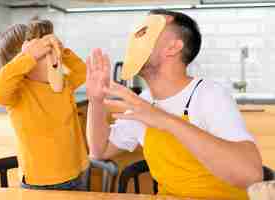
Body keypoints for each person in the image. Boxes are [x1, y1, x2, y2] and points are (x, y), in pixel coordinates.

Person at [86, 9, 263, 199]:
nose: (134, 41)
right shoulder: (144, 102)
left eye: (146, 33)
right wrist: (96, 101)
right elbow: (100, 150)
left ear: (173, 47)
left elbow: (251, 174)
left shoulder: (208, 94)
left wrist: (165, 120)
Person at [0, 19, 89, 190]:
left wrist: (61, 50)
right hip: (40, 182)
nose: (51, 58)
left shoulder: (62, 83)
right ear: (21, 64)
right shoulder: (18, 93)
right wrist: (27, 57)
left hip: (78, 171)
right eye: (42, 56)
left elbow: (82, 72)